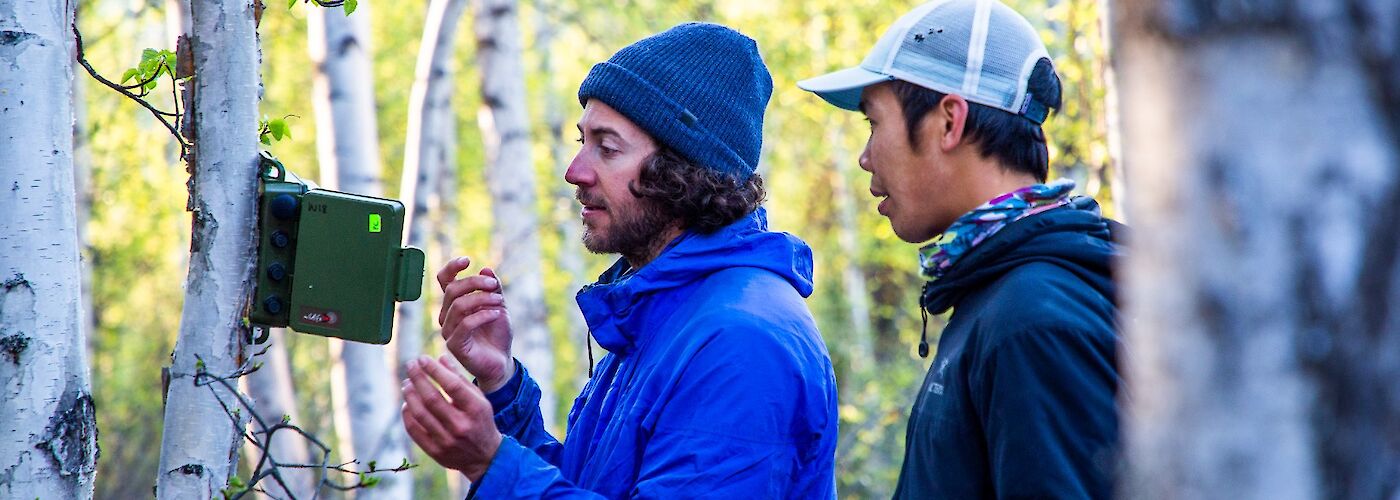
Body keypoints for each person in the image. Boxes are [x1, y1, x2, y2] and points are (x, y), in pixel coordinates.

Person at [400, 22, 839, 498]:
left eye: (607, 148)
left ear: (683, 172)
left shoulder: (740, 342)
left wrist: (493, 464)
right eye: (581, 141)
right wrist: (501, 383)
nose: (575, 171)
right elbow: (588, 486)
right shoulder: (665, 307)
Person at [798, 1, 1122, 498]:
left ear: (949, 121)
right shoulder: (1001, 292)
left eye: (872, 123)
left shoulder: (1031, 320)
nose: (865, 158)